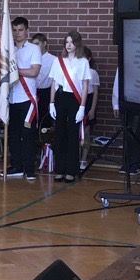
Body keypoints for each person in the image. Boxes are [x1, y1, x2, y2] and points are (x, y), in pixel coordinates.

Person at [49, 31, 91, 182]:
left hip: (75, 99)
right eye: (66, 42)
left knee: (73, 135)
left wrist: (82, 106)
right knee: (59, 133)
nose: (68, 45)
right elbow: (54, 83)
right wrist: (51, 103)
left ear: (77, 44)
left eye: (71, 42)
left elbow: (85, 86)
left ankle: (71, 170)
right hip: (61, 97)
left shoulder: (83, 62)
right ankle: (59, 169)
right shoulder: (58, 61)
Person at [5, 17, 41, 181]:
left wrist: (16, 71)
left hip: (27, 98)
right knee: (13, 134)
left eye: (20, 30)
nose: (17, 33)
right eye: (14, 30)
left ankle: (29, 168)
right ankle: (17, 166)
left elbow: (34, 71)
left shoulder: (33, 49)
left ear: (27, 31)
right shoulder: (9, 50)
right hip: (12, 97)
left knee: (28, 135)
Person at [79, 46, 100, 171]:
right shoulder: (76, 70)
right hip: (78, 101)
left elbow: (95, 93)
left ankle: (83, 158)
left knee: (86, 132)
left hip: (88, 102)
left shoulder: (93, 73)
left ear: (89, 59)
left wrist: (92, 109)